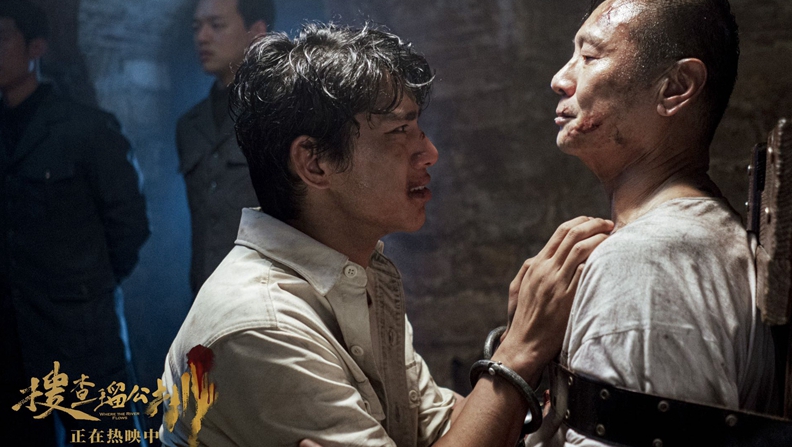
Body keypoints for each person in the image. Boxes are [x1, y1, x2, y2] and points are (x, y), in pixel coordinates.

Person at [159, 23, 613, 447]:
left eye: (419, 129)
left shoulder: (356, 275)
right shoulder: (262, 326)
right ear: (315, 163)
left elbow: (436, 427)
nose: (429, 152)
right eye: (399, 131)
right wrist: (520, 349)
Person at [526, 0, 776, 445]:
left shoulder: (645, 263)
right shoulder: (691, 239)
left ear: (675, 88)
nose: (560, 79)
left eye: (590, 56)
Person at [0, 1, 150, 445]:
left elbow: (129, 225)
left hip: (81, 333)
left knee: (106, 437)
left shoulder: (86, 129)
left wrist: (86, 287)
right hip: (11, 336)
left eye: (1, 38)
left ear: (35, 47)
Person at [177, 0, 273, 296]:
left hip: (267, 293)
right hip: (207, 293)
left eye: (216, 25)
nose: (202, 37)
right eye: (197, 27)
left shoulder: (280, 113)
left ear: (256, 32)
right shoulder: (190, 124)